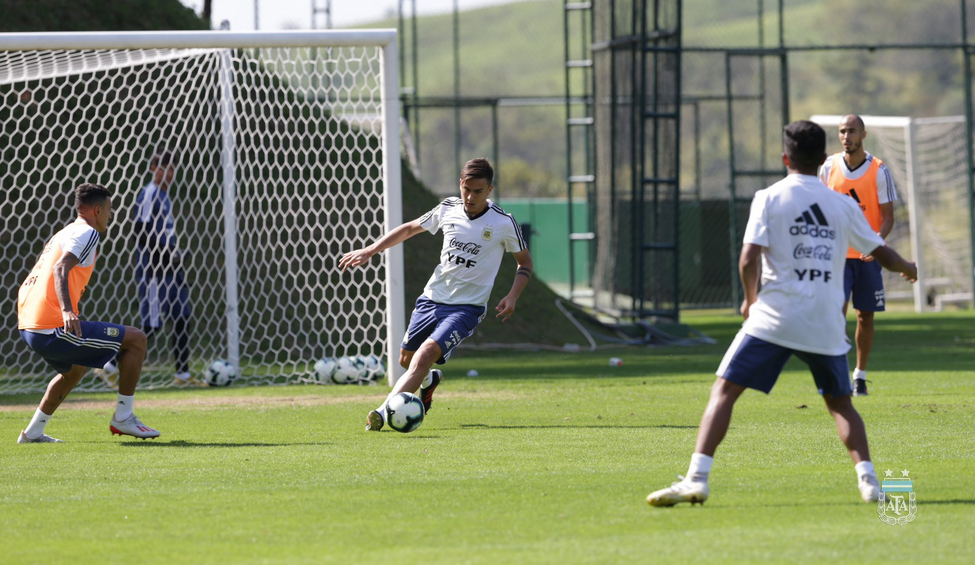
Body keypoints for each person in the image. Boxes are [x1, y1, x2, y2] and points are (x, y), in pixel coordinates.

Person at [646, 121, 917, 507]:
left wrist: (749, 299)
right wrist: (908, 267)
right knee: (841, 404)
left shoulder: (769, 197)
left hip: (775, 316)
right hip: (825, 321)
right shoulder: (841, 204)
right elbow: (882, 253)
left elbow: (747, 259)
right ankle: (870, 483)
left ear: (784, 158)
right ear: (824, 159)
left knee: (724, 391)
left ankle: (696, 479)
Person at [339, 158, 533, 431]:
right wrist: (370, 250)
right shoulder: (448, 208)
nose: (470, 196)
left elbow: (524, 262)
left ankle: (383, 412)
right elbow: (409, 228)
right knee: (407, 360)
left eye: (478, 191)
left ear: (490, 189)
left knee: (424, 355)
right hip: (431, 298)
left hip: (467, 308)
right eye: (466, 189)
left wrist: (513, 295)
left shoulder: (503, 222)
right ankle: (429, 380)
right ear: (460, 185)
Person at [17, 183, 161, 443]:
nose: (110, 216)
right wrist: (67, 311)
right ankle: (124, 418)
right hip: (51, 325)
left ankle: (33, 433)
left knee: (75, 370)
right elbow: (60, 269)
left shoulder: (62, 233)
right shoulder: (88, 233)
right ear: (97, 210)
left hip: (29, 325)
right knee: (137, 339)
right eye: (109, 210)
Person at [97, 151, 202, 388]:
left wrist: (175, 253)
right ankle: (109, 366)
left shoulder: (164, 195)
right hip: (155, 270)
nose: (169, 173)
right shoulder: (150, 193)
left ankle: (183, 375)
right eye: (164, 167)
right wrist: (167, 253)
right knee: (151, 324)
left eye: (172, 168)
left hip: (172, 271)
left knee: (182, 318)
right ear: (153, 168)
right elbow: (140, 231)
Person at [819, 115, 898, 396]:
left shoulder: (879, 170)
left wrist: (875, 242)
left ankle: (860, 376)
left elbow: (888, 217)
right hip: (837, 256)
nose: (846, 136)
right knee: (835, 313)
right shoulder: (828, 167)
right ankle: (836, 374)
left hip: (867, 256)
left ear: (863, 134)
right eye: (842, 131)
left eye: (851, 131)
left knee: (865, 316)